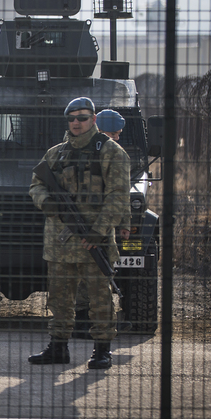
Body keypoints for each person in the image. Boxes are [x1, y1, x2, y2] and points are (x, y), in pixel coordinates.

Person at [28, 97, 129, 369]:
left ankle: (102, 350)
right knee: (59, 299)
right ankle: (58, 348)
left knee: (100, 299)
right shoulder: (56, 153)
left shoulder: (112, 152)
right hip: (59, 242)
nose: (76, 122)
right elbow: (36, 184)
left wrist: (98, 231)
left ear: (94, 119)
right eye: (71, 118)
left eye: (82, 117)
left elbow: (118, 196)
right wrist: (46, 201)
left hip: (93, 242)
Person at [73, 108, 132, 337]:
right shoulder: (81, 151)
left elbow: (120, 193)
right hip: (87, 224)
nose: (117, 138)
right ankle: (82, 321)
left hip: (99, 225)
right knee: (87, 275)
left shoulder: (112, 154)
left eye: (118, 134)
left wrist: (124, 223)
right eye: (114, 133)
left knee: (99, 272)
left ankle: (89, 321)